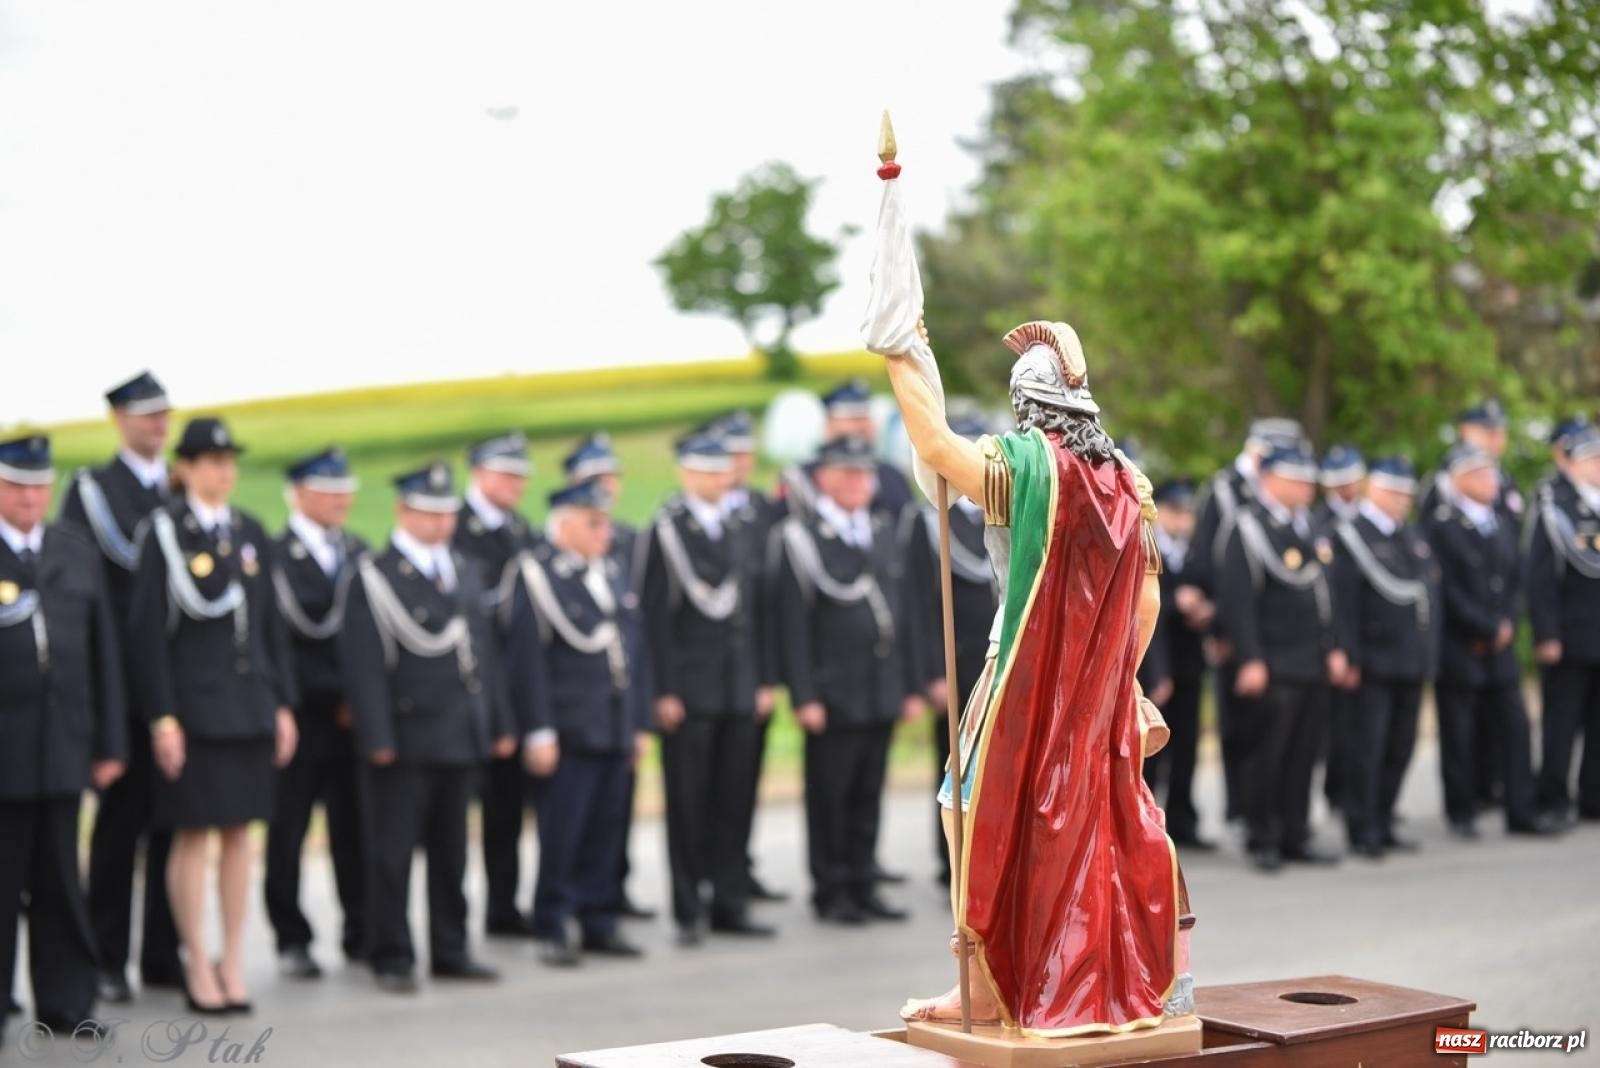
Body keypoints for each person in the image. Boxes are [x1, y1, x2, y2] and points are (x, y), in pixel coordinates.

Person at [879, 318, 1181, 1033]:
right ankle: (1059, 969)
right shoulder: (1126, 478)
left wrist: (898, 356)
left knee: (969, 805)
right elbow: (1147, 598)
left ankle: (990, 976)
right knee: (1077, 822)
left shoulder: (1026, 468)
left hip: (1019, 666)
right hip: (1098, 683)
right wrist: (1117, 677)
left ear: (1028, 405)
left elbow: (935, 449)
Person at [126, 417, 299, 1014]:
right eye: (211, 462)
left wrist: (281, 703)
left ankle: (232, 959)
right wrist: (162, 717)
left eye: (229, 462)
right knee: (194, 835)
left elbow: (271, 627)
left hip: (248, 708)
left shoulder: (249, 531)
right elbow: (148, 635)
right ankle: (196, 960)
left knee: (240, 836)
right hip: (195, 713)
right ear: (186, 468)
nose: (224, 472)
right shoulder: (165, 533)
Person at [340, 462, 513, 994]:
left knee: (452, 852)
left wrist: (497, 721)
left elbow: (483, 653)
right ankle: (390, 952)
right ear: (402, 511)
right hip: (405, 734)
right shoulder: (375, 576)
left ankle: (450, 947)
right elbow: (364, 665)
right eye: (429, 513)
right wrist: (377, 736)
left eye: (446, 513)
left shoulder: (462, 568)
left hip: (458, 732)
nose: (441, 523)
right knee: (391, 855)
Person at [59, 371, 182, 1003]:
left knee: (175, 823)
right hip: (122, 686)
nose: (158, 423)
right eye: (145, 413)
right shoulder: (94, 492)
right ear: (119, 419)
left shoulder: (181, 486)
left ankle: (163, 952)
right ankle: (107, 955)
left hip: (178, 684)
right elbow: (83, 593)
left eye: (163, 413)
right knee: (119, 826)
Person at [0, 435, 126, 1043]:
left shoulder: (73, 551)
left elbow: (104, 655)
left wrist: (110, 742)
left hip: (62, 746)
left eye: (38, 486)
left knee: (60, 881)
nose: (30, 498)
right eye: (16, 486)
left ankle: (67, 1001)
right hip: (5, 750)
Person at [503, 478, 651, 966]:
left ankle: (599, 919)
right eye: (593, 524)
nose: (605, 533)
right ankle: (553, 921)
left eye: (606, 523)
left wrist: (637, 722)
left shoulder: (609, 571)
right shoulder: (537, 575)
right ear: (564, 525)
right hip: (569, 728)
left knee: (607, 828)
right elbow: (526, 662)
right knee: (563, 831)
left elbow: (634, 651)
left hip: (612, 723)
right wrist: (539, 730)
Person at [774, 435, 918, 926]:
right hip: (833, 692)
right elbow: (793, 625)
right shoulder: (803, 538)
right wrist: (804, 695)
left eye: (865, 474)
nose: (860, 483)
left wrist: (908, 684)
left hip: (879, 688)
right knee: (830, 797)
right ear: (824, 479)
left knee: (867, 794)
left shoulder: (879, 529)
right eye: (849, 474)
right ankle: (831, 889)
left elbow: (903, 614)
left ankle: (863, 882)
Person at [641, 432, 775, 945]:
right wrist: (664, 690)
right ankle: (688, 908)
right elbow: (654, 617)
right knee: (688, 803)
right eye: (711, 470)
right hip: (690, 692)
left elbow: (756, 609)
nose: (723, 478)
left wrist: (762, 679)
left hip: (738, 685)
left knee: (735, 800)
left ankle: (730, 902)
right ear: (687, 473)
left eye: (725, 469)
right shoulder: (667, 530)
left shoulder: (738, 525)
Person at [1217, 441, 1347, 872]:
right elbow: (1238, 600)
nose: (1308, 487)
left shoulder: (1310, 526)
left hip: (1310, 659)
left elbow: (1325, 594)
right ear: (1270, 478)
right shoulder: (1248, 527)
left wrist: (1333, 647)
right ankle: (1264, 836)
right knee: (1268, 753)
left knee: (1304, 753)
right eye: (1298, 479)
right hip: (1273, 660)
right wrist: (1250, 658)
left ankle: (1295, 832)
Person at [263, 448, 367, 978]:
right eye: (329, 490)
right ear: (300, 493)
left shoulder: (358, 551)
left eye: (345, 489)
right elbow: (274, 639)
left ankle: (361, 930)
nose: (341, 499)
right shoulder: (275, 556)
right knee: (288, 832)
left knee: (356, 828)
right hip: (301, 714)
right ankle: (292, 937)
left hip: (352, 718)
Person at [1426, 443, 1560, 839]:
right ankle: (1461, 809)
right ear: (1458, 481)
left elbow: (1517, 577)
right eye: (1481, 474)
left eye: (1491, 473)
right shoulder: (1441, 526)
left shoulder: (1501, 521)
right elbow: (1446, 589)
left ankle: (1522, 810)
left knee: (1516, 727)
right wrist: (1485, 627)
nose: (1491, 481)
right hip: (1461, 646)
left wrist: (1506, 623)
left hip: (1500, 646)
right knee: (1460, 733)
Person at [1185, 417, 1307, 824]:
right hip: (1232, 623)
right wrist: (1218, 627)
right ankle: (1242, 809)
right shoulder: (1224, 490)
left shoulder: (1286, 493)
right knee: (1240, 724)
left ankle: (1267, 813)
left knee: (1271, 727)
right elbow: (1207, 562)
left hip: (1273, 625)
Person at [899, 408, 999, 880]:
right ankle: (954, 864)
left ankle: (991, 859)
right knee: (955, 770)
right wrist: (931, 674)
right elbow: (917, 607)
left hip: (996, 661)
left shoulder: (999, 512)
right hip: (956, 666)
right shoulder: (929, 521)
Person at [561, 432, 653, 920]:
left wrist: (641, 713)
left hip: (619, 706)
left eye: (611, 476)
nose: (607, 486)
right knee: (573, 818)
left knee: (616, 811)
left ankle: (611, 893)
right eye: (595, 478)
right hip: (579, 711)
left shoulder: (627, 543)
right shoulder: (555, 557)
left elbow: (638, 636)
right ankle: (568, 907)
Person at [1329, 457, 1439, 858]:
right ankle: (1362, 826)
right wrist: (1349, 653)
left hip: (1409, 658)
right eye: (1394, 492)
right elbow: (1343, 603)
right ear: (1373, 489)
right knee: (1368, 748)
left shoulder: (1410, 535)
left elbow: (1428, 596)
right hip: (1373, 660)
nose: (1402, 500)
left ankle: (1385, 816)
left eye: (1406, 493)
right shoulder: (1351, 535)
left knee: (1400, 745)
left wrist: (1429, 656)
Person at [454, 431, 539, 938]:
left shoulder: (520, 529)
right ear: (480, 474)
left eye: (520, 476)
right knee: (458, 813)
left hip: (516, 685)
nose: (516, 484)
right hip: (473, 689)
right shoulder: (456, 527)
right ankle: (456, 920)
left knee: (508, 805)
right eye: (507, 474)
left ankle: (503, 906)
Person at [708, 410, 790, 905]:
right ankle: (714, 875)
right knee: (712, 785)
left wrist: (768, 676)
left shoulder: (763, 509)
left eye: (745, 454)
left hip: (754, 667)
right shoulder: (707, 516)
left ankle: (738, 868)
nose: (739, 463)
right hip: (713, 674)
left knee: (743, 780)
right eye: (729, 454)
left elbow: (772, 601)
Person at [1528, 424, 1600, 824]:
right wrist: (1547, 633)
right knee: (1562, 723)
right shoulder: (1555, 505)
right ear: (1573, 464)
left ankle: (1593, 797)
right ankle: (1553, 799)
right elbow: (1539, 578)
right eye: (1592, 459)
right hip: (1570, 635)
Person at [1139, 478, 1214, 850]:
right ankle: (1147, 825)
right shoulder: (1146, 549)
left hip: (1189, 662)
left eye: (1187, 513)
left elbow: (1213, 588)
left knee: (1186, 745)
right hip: (1157, 662)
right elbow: (1143, 608)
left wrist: (1204, 608)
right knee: (1153, 749)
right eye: (1175, 512)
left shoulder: (1194, 551)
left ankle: (1183, 820)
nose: (1183, 520)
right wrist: (1174, 602)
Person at [781, 379, 914, 522]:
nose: (861, 426)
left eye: (865, 418)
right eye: (852, 419)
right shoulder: (800, 478)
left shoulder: (892, 476)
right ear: (829, 423)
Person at [1314, 444, 1365, 811]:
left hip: (1368, 630)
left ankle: (1360, 791)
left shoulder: (1366, 518)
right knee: (1340, 725)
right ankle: (1339, 791)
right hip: (1338, 633)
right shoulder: (1321, 524)